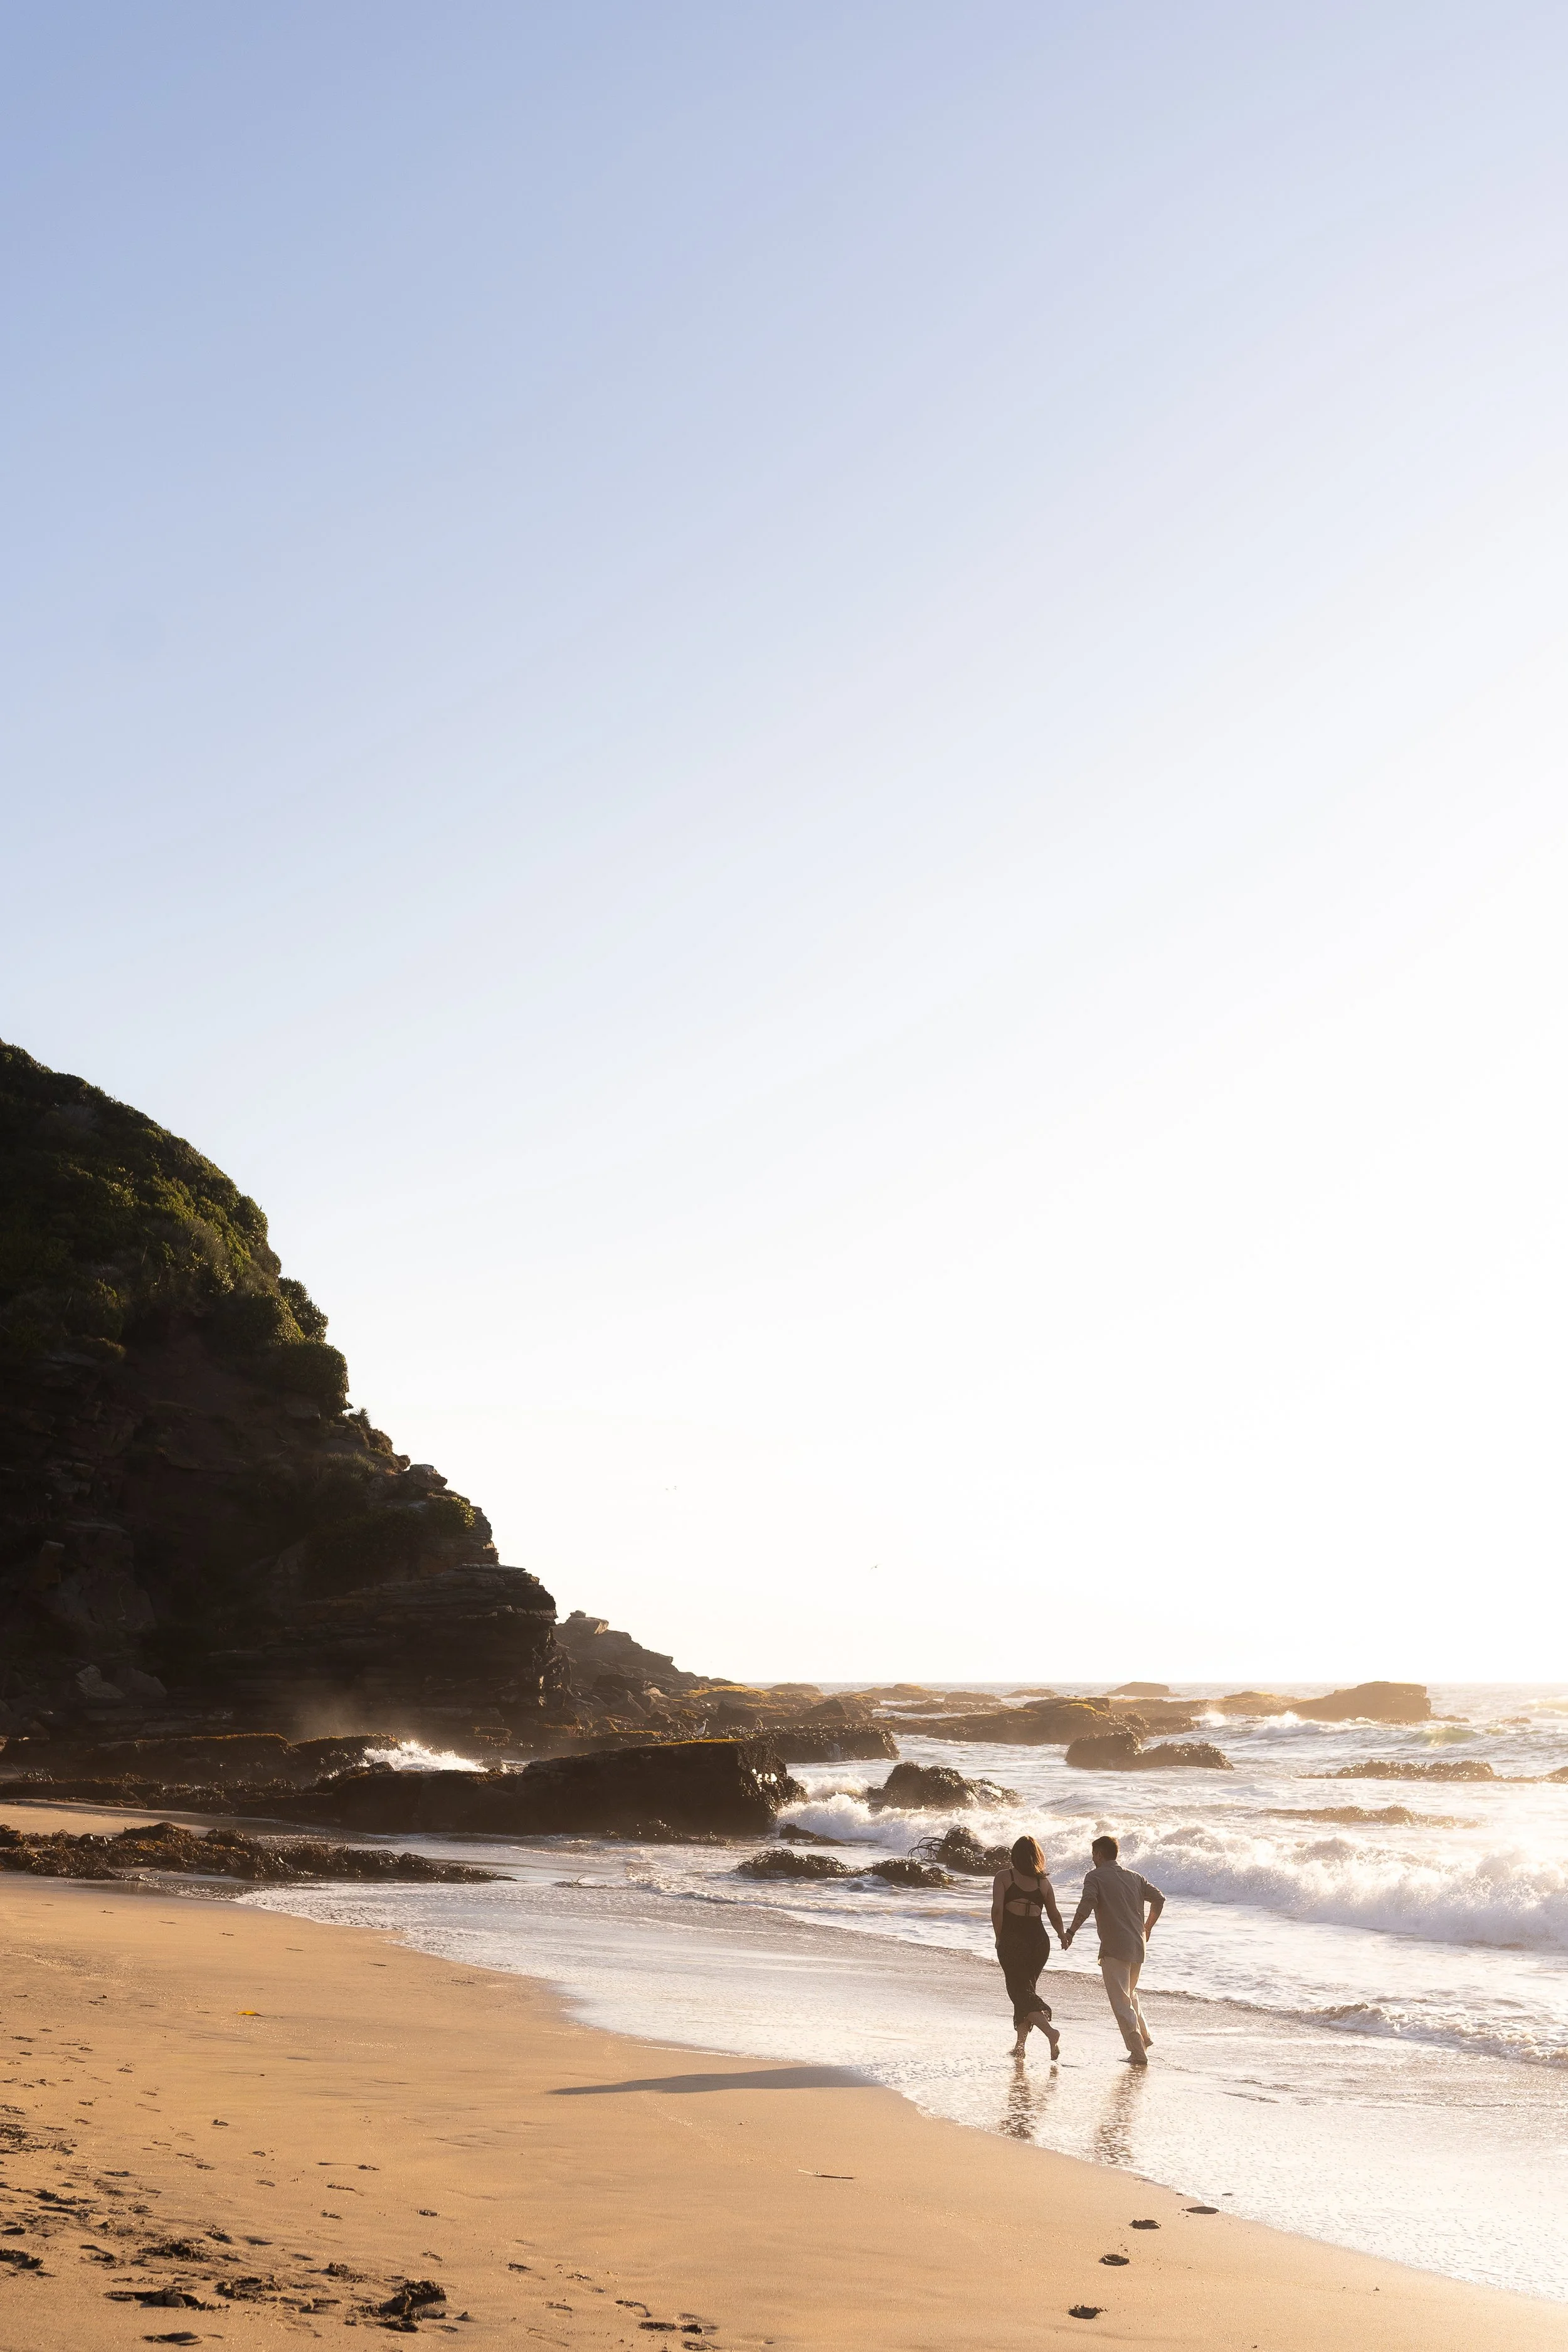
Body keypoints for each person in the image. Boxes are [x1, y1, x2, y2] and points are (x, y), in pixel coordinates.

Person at [1061, 1833, 1163, 2065]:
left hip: (1115, 1947)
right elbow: (1159, 1899)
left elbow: (1087, 1904)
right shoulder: (1135, 1877)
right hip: (1138, 1945)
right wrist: (1147, 1928)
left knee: (1121, 2001)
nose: (1093, 1859)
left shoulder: (1095, 1877)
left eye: (1093, 1855)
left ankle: (1138, 2053)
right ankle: (1144, 2039)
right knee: (1130, 1994)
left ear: (1098, 1854)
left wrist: (1071, 1932)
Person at [991, 1835, 1064, 2058]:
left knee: (1018, 1991)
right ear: (1037, 1857)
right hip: (1039, 1942)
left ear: (1015, 1855)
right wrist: (1062, 1935)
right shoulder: (1044, 1883)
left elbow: (997, 1911)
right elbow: (1053, 1914)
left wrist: (998, 1937)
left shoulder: (1005, 1877)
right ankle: (1020, 2046)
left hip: (1014, 1940)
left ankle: (1050, 2032)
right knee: (1025, 1989)